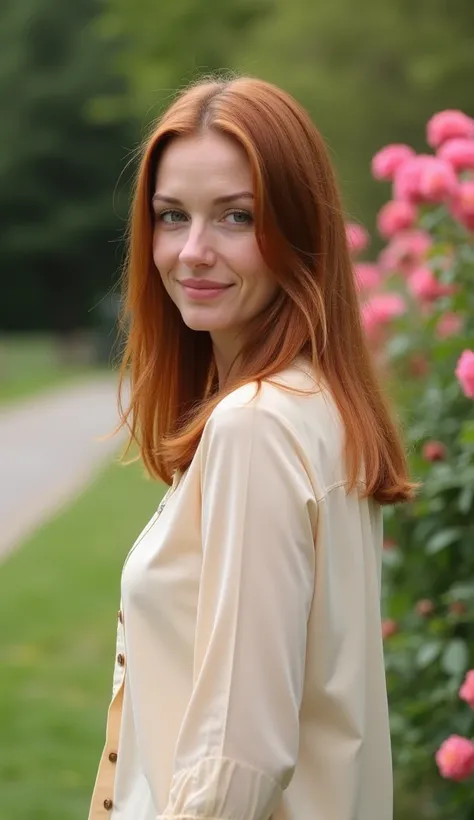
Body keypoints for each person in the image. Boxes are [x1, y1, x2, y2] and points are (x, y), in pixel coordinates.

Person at [88, 75, 414, 820]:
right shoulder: (318, 407)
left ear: (298, 229)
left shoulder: (258, 428)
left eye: (236, 217)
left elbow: (240, 758)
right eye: (172, 217)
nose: (193, 251)